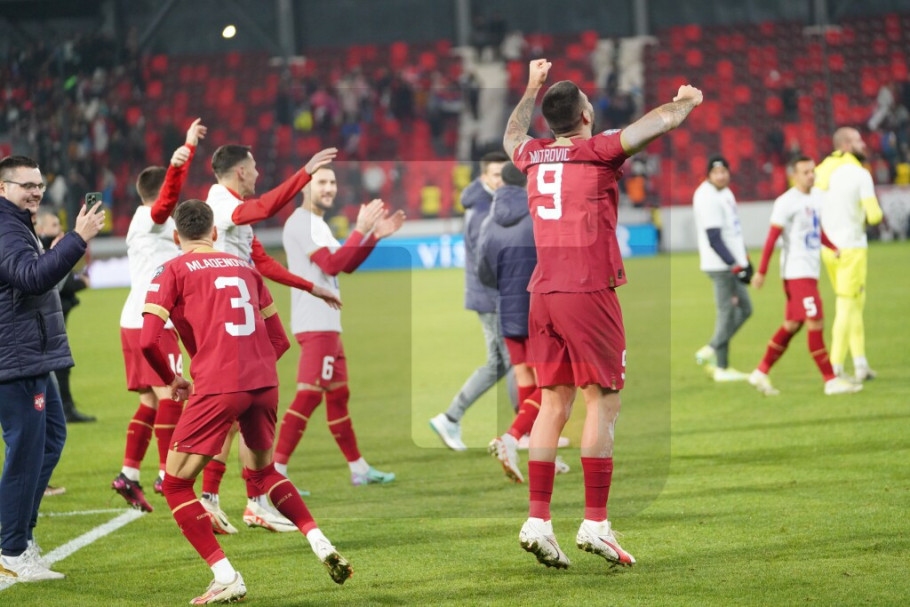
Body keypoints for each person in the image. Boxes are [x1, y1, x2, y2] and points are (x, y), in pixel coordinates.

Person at [503, 59, 702, 569]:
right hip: (587, 289)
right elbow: (659, 122)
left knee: (552, 403)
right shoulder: (598, 150)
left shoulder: (532, 154)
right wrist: (686, 101)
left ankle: (538, 520)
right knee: (603, 402)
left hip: (542, 292)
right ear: (586, 115)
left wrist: (531, 85)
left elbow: (511, 135)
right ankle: (595, 523)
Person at [140, 199, 351, 604]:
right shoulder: (245, 268)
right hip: (263, 383)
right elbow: (279, 341)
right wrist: (251, 371)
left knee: (176, 483)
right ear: (214, 233)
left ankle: (225, 575)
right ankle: (319, 540)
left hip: (218, 385)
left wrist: (173, 379)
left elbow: (148, 340)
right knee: (263, 473)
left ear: (175, 236)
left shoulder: (173, 269)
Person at [200, 143, 342, 534]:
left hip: (243, 317)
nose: (259, 173)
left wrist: (312, 287)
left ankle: (231, 499)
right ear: (240, 172)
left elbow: (261, 261)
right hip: (228, 321)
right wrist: (304, 173)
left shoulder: (235, 210)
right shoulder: (221, 203)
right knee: (246, 406)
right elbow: (263, 209)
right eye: (255, 167)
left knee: (243, 407)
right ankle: (238, 499)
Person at [0, 155, 105, 582]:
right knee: (27, 451)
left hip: (30, 354)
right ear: (3, 187)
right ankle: (11, 550)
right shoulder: (6, 228)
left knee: (50, 441)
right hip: (16, 358)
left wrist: (66, 245)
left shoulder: (17, 223)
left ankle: (18, 534)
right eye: (26, 185)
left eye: (39, 184)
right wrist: (76, 240)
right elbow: (31, 277)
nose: (36, 192)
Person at [273, 165, 404, 486]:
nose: (329, 188)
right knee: (308, 395)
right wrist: (360, 230)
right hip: (315, 322)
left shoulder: (318, 225)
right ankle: (275, 473)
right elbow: (332, 264)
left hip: (328, 324)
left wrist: (373, 236)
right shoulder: (302, 223)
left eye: (332, 182)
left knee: (338, 394)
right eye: (321, 182)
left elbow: (345, 265)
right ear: (305, 187)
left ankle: (358, 468)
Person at [111, 118, 205, 513]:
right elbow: (166, 204)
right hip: (154, 320)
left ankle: (128, 474)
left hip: (132, 319)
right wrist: (184, 157)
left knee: (151, 399)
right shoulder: (153, 220)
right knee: (172, 394)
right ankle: (168, 473)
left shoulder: (142, 225)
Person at [477, 162, 569, 483]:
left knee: (525, 379)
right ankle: (512, 437)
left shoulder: (490, 221)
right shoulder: (538, 215)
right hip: (538, 310)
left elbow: (483, 272)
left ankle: (539, 451)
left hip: (507, 310)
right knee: (553, 385)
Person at [748, 156, 862, 396]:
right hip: (796, 272)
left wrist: (832, 246)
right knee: (816, 321)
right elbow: (771, 239)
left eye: (812, 171)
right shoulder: (786, 202)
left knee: (792, 325)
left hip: (809, 271)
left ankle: (760, 372)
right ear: (794, 175)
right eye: (806, 172)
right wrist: (761, 272)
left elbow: (815, 229)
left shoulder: (816, 197)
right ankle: (830, 380)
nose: (811, 176)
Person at [429, 150, 516, 451]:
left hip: (490, 296)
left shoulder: (487, 203)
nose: (501, 180)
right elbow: (488, 262)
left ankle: (450, 417)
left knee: (500, 363)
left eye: (504, 174)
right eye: (496, 175)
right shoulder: (483, 211)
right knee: (514, 362)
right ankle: (525, 431)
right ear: (484, 178)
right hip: (493, 298)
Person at [814, 127, 884, 381]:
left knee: (854, 304)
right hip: (852, 248)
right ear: (845, 145)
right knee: (847, 306)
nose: (863, 144)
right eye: (857, 140)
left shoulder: (821, 171)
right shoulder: (859, 174)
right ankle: (835, 367)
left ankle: (861, 363)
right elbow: (874, 215)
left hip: (828, 248)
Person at [693, 156, 753, 381]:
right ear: (708, 175)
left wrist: (745, 259)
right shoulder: (706, 196)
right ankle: (715, 355)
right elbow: (715, 238)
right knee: (729, 311)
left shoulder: (725, 193)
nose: (721, 176)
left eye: (724, 171)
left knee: (740, 310)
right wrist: (735, 265)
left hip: (732, 262)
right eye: (716, 172)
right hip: (720, 265)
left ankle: (721, 364)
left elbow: (734, 231)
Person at [34, 209, 95, 423]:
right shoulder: (41, 250)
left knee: (58, 365)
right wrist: (79, 285)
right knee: (55, 366)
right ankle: (61, 410)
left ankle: (61, 409)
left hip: (52, 318)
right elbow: (60, 283)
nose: (59, 229)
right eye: (54, 225)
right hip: (43, 321)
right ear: (40, 228)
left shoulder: (52, 248)